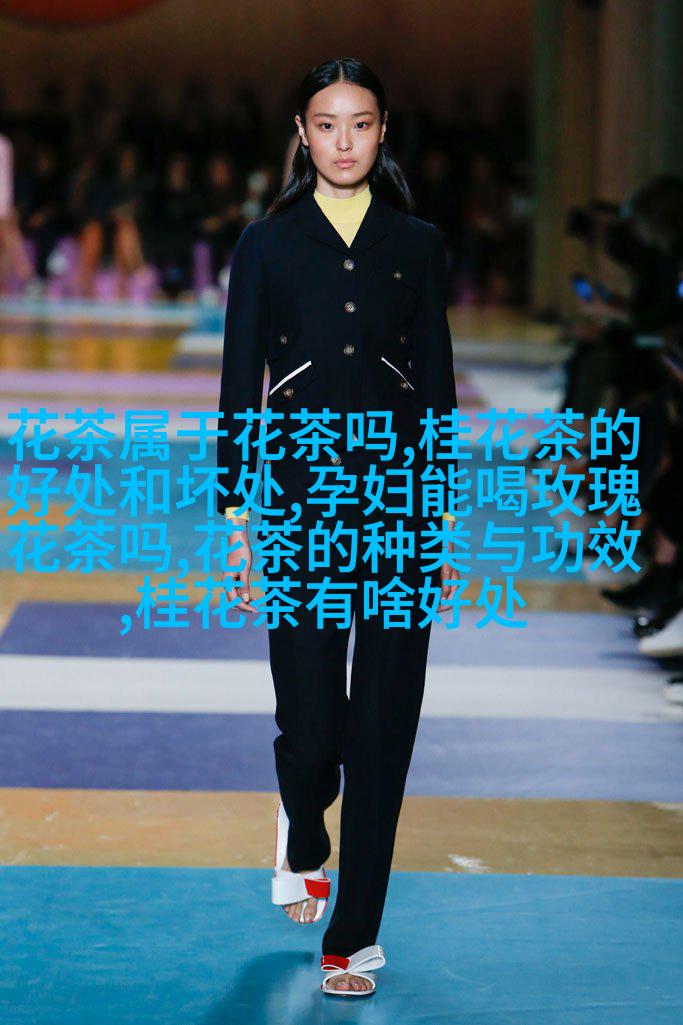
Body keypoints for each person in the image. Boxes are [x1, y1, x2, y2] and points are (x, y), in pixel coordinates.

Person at [217, 57, 460, 997]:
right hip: (299, 500)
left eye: (361, 123)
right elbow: (238, 386)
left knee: (384, 725)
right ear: (302, 133)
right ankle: (303, 823)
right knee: (312, 722)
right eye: (327, 124)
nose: (344, 141)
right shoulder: (265, 245)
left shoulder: (417, 244)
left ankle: (351, 937)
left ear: (382, 130)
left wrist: (440, 514)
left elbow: (435, 384)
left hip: (401, 507)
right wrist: (236, 517)